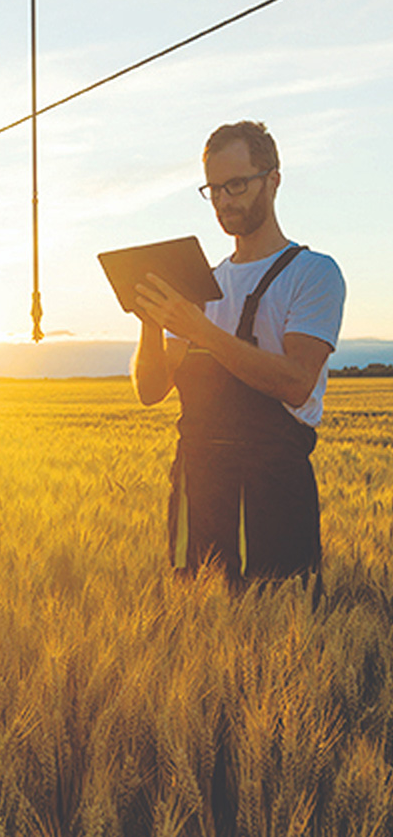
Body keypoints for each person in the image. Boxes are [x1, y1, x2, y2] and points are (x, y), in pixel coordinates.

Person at [133, 120, 345, 584]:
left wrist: (200, 330)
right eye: (214, 189)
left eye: (237, 185)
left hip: (271, 493)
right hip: (198, 492)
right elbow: (151, 390)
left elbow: (295, 381)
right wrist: (150, 319)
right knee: (198, 633)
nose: (225, 201)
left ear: (273, 179)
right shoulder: (200, 283)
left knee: (277, 631)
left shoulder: (313, 274)